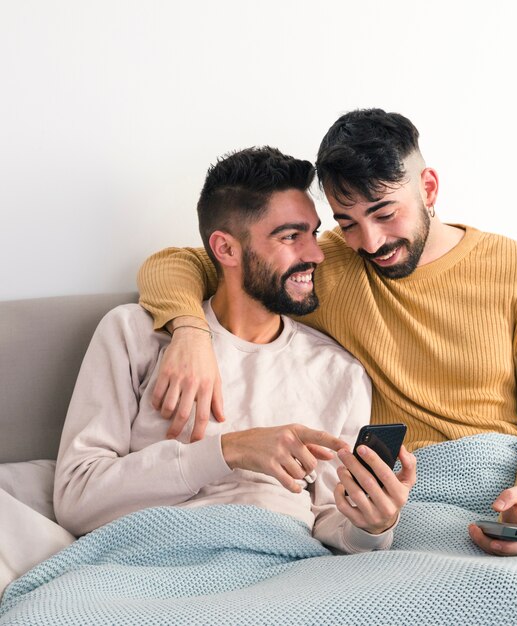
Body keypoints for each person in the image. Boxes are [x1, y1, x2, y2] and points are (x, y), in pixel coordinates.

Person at [136, 109, 517, 556]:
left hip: (512, 490)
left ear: (428, 188)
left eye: (384, 213)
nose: (371, 243)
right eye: (347, 222)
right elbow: (177, 263)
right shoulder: (325, 266)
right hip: (401, 502)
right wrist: (190, 332)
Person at [54, 146, 416, 553]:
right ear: (225, 249)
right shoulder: (134, 334)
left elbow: (331, 522)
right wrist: (229, 451)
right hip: (152, 558)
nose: (316, 254)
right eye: (291, 237)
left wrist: (373, 526)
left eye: (313, 233)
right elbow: (76, 498)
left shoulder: (341, 374)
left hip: (284, 567)